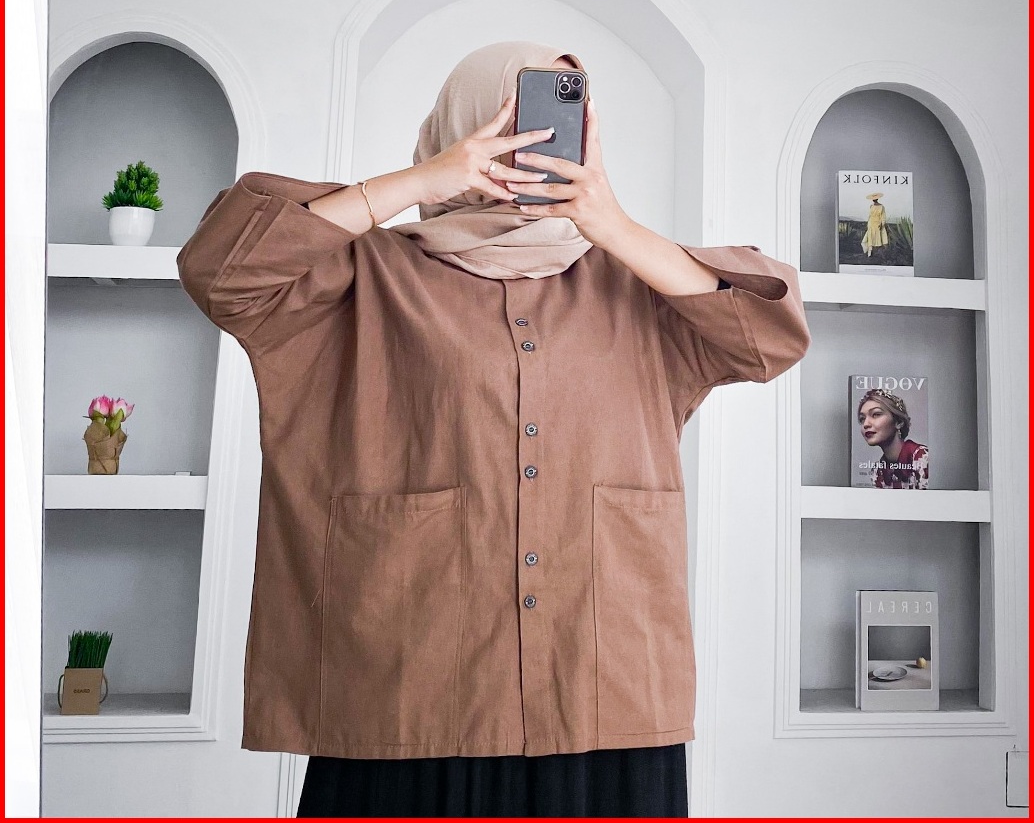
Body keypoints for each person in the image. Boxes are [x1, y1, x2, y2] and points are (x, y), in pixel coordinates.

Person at [177, 41, 811, 817]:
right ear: (462, 124)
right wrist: (423, 181)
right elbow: (222, 271)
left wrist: (608, 221)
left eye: (560, 120)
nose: (532, 144)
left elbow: (770, 336)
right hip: (409, 698)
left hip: (603, 692)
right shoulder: (358, 276)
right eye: (510, 121)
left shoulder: (640, 286)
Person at [857, 388, 930, 490]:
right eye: (862, 419)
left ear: (898, 422)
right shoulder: (878, 471)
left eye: (876, 414)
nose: (866, 424)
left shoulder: (923, 458)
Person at [860, 191, 889, 257]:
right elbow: (870, 216)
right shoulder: (871, 206)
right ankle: (869, 253)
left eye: (875, 199)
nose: (874, 200)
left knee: (881, 238)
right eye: (873, 199)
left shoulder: (881, 207)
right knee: (869, 238)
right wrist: (868, 224)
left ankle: (882, 253)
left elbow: (883, 216)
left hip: (878, 224)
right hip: (871, 224)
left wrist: (882, 224)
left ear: (877, 199)